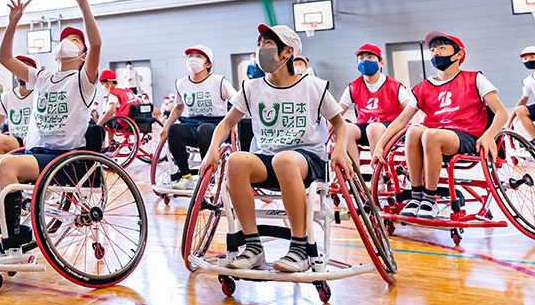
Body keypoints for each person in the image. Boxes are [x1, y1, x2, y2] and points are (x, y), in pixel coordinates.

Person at [0, 0, 100, 260]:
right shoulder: (43, 77)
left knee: (8, 164)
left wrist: (83, 4)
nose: (67, 43)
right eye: (65, 39)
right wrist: (13, 21)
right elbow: (4, 59)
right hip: (37, 153)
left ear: (82, 55)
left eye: (74, 41)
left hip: (64, 158)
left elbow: (96, 43)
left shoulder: (84, 80)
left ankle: (12, 245)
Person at [201, 24, 350, 272]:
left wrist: (340, 149)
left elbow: (340, 123)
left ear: (287, 52)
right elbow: (226, 123)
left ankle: (300, 248)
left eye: (268, 44)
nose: (261, 49)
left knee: (285, 160)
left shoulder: (312, 86)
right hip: (269, 158)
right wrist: (212, 150)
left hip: (307, 158)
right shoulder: (252, 87)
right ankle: (252, 246)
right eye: (259, 44)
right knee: (236, 160)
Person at [372, 32, 509, 220]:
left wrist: (489, 135)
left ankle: (430, 199)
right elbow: (401, 120)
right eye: (433, 49)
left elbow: (502, 113)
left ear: (459, 54)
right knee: (413, 131)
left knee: (431, 135)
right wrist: (380, 145)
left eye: (442, 48)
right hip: (435, 136)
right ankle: (416, 195)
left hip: (466, 135)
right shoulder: (422, 87)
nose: (436, 52)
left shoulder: (475, 78)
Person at [160, 45, 235, 190]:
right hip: (193, 124)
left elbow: (237, 102)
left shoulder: (219, 81)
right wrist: (166, 126)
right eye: (190, 56)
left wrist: (234, 124)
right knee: (174, 130)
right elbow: (179, 107)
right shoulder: (181, 83)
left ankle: (208, 175)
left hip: (216, 124)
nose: (192, 59)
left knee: (205, 129)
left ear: (208, 64)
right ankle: (185, 177)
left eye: (198, 56)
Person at [338, 44, 410, 166]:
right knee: (347, 129)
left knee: (374, 128)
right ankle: (355, 176)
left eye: (370, 57)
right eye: (361, 58)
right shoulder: (353, 86)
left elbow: (411, 108)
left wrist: (412, 128)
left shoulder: (395, 85)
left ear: (381, 63)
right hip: (365, 127)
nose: (365, 61)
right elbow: (337, 112)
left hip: (390, 128)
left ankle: (380, 177)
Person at [0, 55, 38, 157]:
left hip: (37, 140)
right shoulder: (8, 96)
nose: (21, 69)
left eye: (26, 66)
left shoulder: (41, 93)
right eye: (19, 66)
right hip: (17, 140)